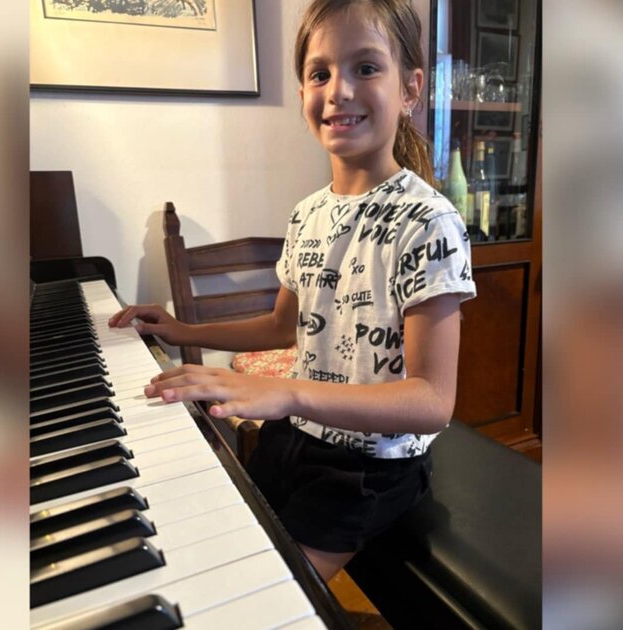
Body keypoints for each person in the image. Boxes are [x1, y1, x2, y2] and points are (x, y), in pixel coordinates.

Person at [109, 0, 476, 581]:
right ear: (303, 92)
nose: (338, 91)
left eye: (365, 68)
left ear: (411, 88)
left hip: (368, 468)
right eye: (320, 73)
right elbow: (283, 326)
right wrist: (182, 330)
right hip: (296, 439)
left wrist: (285, 392)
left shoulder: (428, 222)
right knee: (213, 555)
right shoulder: (308, 214)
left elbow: (432, 401)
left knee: (262, 592)